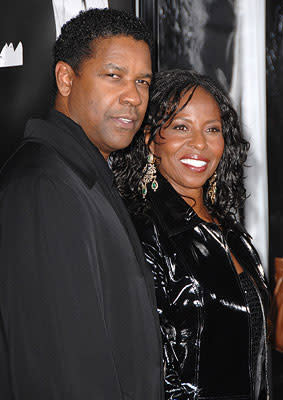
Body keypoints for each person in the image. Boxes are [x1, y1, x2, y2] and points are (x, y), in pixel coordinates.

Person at [0, 9, 164, 400]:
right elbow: (59, 370)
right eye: (114, 75)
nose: (133, 96)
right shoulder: (44, 186)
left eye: (143, 81)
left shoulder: (83, 173)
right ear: (66, 78)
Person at [111, 69, 270, 399]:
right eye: (181, 127)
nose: (200, 143)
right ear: (150, 139)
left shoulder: (229, 228)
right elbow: (147, 372)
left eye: (212, 129)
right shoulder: (142, 232)